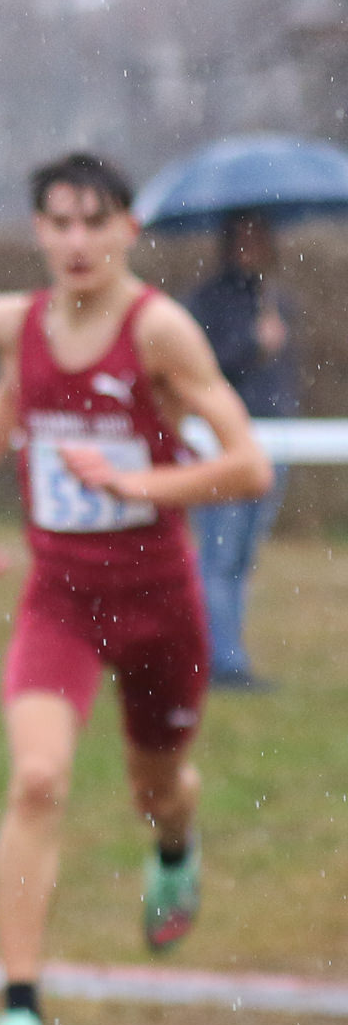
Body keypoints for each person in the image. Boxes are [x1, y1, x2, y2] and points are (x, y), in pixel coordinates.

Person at [0, 150, 272, 1025]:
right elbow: (13, 397)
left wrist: (140, 484)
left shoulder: (159, 332)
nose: (77, 241)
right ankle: (19, 1009)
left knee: (156, 787)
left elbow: (249, 467)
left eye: (96, 222)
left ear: (129, 229)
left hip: (159, 603)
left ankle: (175, 843)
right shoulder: (18, 324)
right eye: (60, 223)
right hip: (62, 601)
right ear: (39, 231)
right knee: (38, 779)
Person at [184, 209, 297, 690]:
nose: (250, 245)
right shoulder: (206, 301)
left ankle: (223, 650)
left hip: (275, 440)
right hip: (224, 442)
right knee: (219, 553)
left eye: (258, 235)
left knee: (242, 557)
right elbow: (201, 369)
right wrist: (253, 343)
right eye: (242, 235)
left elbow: (283, 376)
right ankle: (221, 661)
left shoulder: (276, 300)